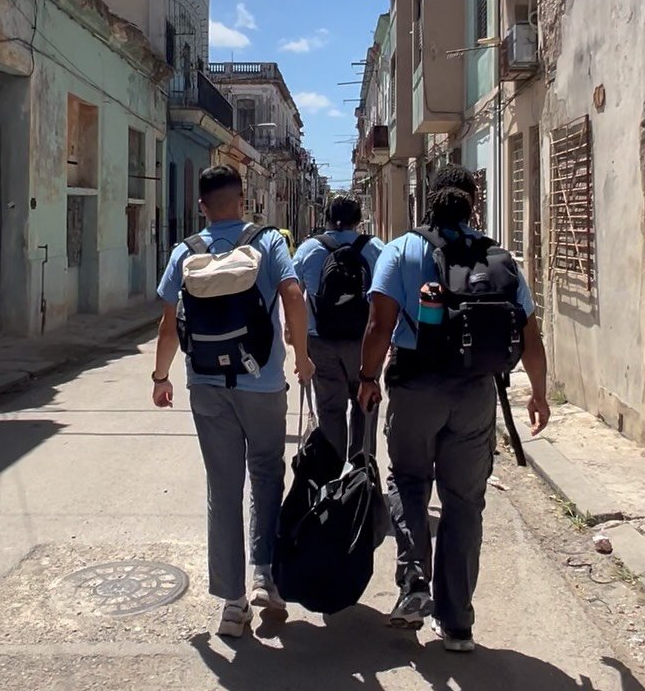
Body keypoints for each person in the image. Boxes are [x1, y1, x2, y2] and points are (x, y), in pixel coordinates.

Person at [358, 165, 550, 653]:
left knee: (408, 480)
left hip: (415, 384)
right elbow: (530, 333)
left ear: (429, 199)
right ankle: (458, 624)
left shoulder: (401, 250)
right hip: (475, 392)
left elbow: (379, 326)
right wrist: (540, 394)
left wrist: (367, 380)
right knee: (465, 502)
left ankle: (414, 581)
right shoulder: (497, 257)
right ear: (472, 204)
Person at [152, 165, 315, 637]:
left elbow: (167, 325)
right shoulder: (266, 243)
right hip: (260, 384)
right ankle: (266, 574)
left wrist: (161, 377)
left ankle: (232, 603)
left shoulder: (186, 251)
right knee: (266, 474)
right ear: (243, 200)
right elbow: (294, 297)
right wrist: (301, 358)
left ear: (202, 206)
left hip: (206, 385)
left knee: (222, 488)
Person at [292, 193, 384, 460]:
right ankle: (361, 477)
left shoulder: (309, 249)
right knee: (365, 405)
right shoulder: (375, 248)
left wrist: (296, 344)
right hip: (365, 341)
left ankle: (332, 481)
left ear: (328, 219)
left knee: (330, 410)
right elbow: (388, 296)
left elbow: (293, 296)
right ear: (359, 220)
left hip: (321, 341)